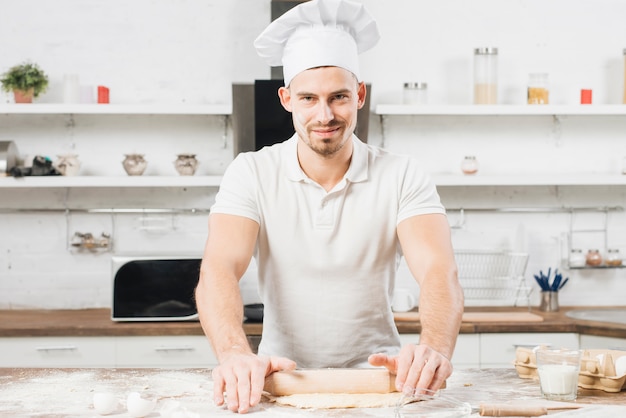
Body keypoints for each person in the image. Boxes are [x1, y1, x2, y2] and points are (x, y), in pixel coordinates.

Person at [195, 0, 464, 414]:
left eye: (338, 97)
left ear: (359, 95)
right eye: (308, 98)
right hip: (277, 380)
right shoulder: (251, 172)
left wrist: (433, 348)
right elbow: (218, 268)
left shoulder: (402, 175)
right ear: (287, 99)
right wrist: (234, 353)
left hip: (384, 381)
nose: (324, 115)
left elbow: (437, 270)